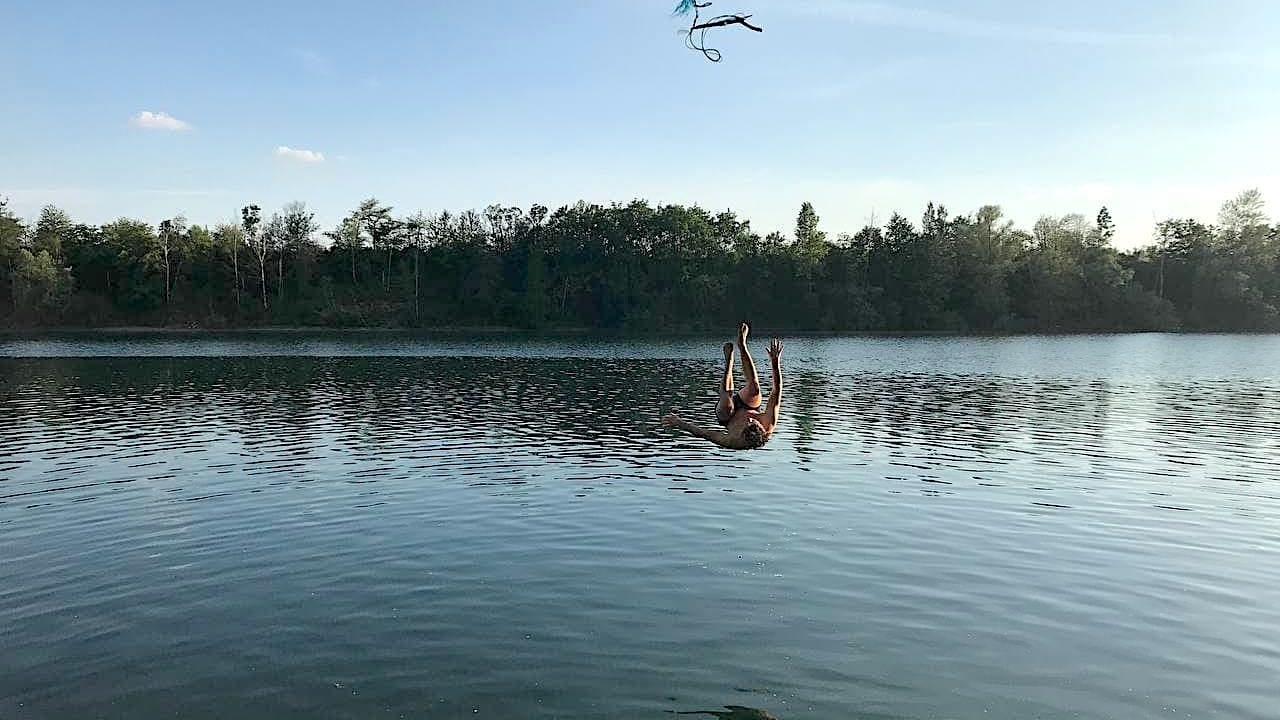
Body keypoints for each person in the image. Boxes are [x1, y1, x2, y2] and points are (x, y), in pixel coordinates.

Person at [662, 323, 782, 449]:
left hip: (728, 416)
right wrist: (775, 363)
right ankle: (742, 345)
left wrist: (679, 423)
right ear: (762, 429)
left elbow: (703, 433)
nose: (750, 420)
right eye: (755, 423)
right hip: (749, 405)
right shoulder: (769, 423)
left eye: (746, 425)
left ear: (741, 436)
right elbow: (776, 390)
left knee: (727, 403)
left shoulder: (732, 441)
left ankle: (729, 363)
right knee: (754, 389)